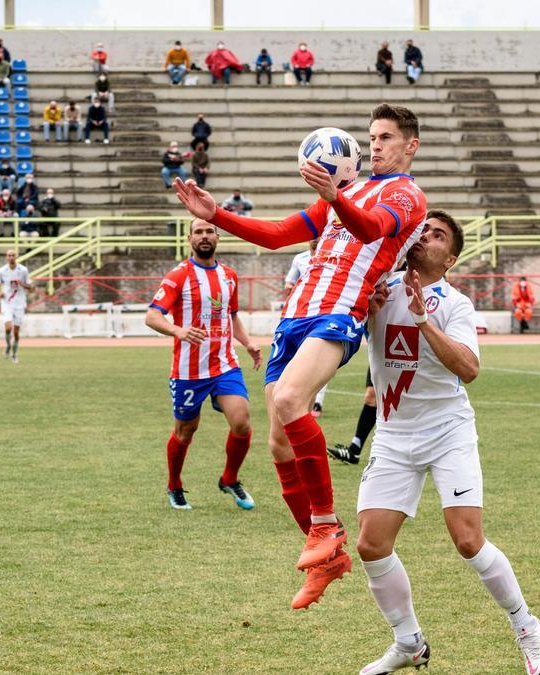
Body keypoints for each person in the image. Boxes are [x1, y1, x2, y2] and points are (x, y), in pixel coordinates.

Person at [173, 104, 428, 609]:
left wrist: (335, 199)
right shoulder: (345, 194)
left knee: (291, 400)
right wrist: (216, 215)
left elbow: (372, 230)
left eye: (386, 138)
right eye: (371, 137)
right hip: (295, 316)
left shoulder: (405, 194)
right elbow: (278, 234)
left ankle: (326, 527)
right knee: (278, 445)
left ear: (410, 146)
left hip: (340, 312)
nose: (375, 145)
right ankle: (325, 553)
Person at [356, 210, 540, 675]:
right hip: (394, 433)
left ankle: (527, 625)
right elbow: (337, 339)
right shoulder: (376, 288)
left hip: (447, 432)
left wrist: (424, 321)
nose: (425, 237)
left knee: (467, 540)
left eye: (437, 234)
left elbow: (469, 368)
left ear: (452, 259)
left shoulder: (455, 304)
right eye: (422, 230)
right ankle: (408, 642)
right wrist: (362, 312)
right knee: (370, 544)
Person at [145, 219, 264, 511]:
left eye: (209, 231)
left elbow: (231, 316)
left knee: (242, 422)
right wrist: (178, 330)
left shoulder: (229, 276)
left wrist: (247, 342)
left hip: (225, 364)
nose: (204, 236)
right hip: (189, 371)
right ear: (189, 239)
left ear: (218, 238)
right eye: (198, 232)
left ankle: (229, 479)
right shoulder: (179, 276)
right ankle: (174, 485)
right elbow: (152, 316)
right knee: (186, 430)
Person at [281, 239, 329, 418]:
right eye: (313, 234)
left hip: (322, 316)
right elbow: (289, 283)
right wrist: (293, 290)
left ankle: (316, 403)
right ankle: (296, 398)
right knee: (294, 361)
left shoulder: (332, 257)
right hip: (299, 317)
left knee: (319, 362)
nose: (316, 238)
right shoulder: (300, 259)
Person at [0, 249, 33, 363]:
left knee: (16, 332)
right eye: (9, 255)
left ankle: (14, 354)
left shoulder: (23, 270)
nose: (11, 257)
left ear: (16, 257)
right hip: (7, 303)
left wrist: (22, 284)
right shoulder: (2, 271)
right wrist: (0, 292)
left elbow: (30, 287)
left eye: (13, 255)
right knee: (8, 328)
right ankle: (7, 346)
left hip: (19, 303)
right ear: (6, 257)